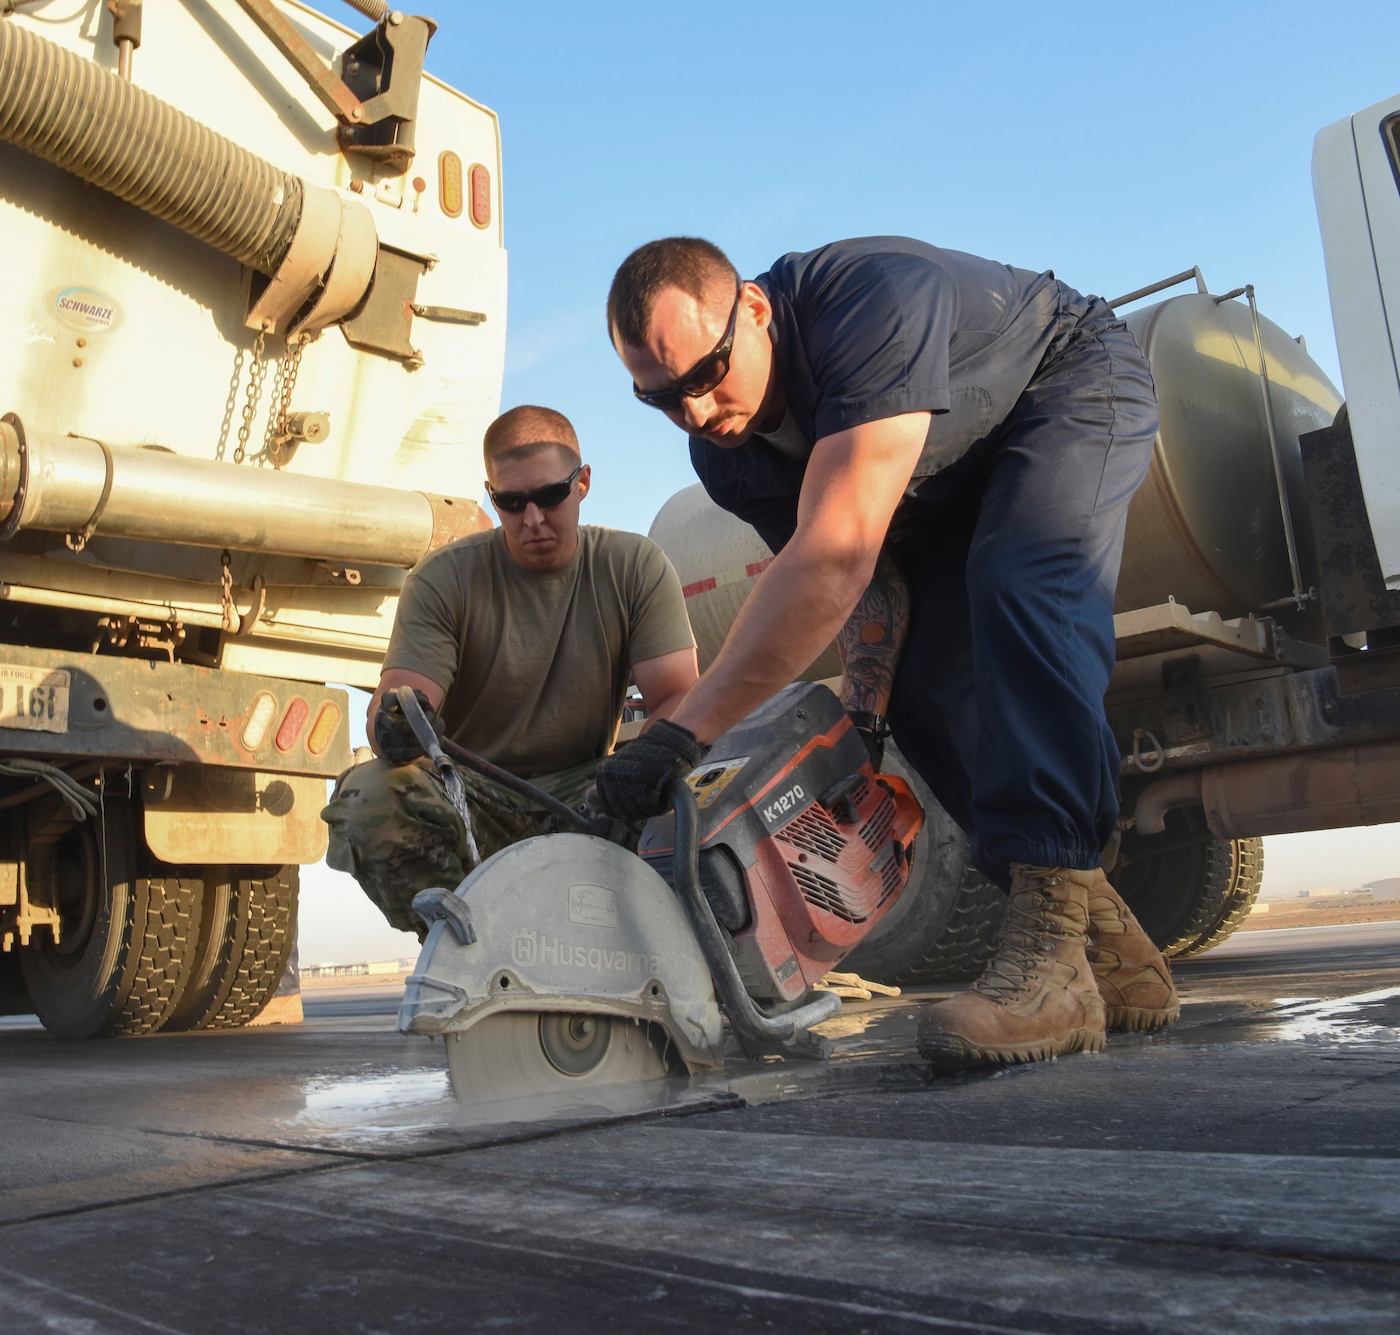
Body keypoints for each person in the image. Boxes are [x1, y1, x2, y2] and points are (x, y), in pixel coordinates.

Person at [595, 235, 1178, 1067]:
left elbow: (834, 556)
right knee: (926, 692)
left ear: (754, 309)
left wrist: (679, 733)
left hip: (1065, 385)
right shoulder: (729, 459)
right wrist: (865, 718)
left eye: (703, 375)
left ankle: (1054, 965)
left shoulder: (869, 305)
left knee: (1021, 582)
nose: (692, 412)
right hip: (943, 485)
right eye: (660, 399)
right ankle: (1119, 963)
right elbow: (870, 583)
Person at [321, 404, 700, 938]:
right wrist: (396, 723)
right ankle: (466, 951)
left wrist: (636, 775)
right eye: (512, 502)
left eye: (550, 496)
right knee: (369, 798)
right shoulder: (443, 580)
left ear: (583, 482)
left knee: (700, 776)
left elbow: (680, 698)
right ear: (490, 495)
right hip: (473, 796)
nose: (534, 520)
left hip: (594, 792)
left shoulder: (633, 566)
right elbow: (402, 702)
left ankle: (674, 952)